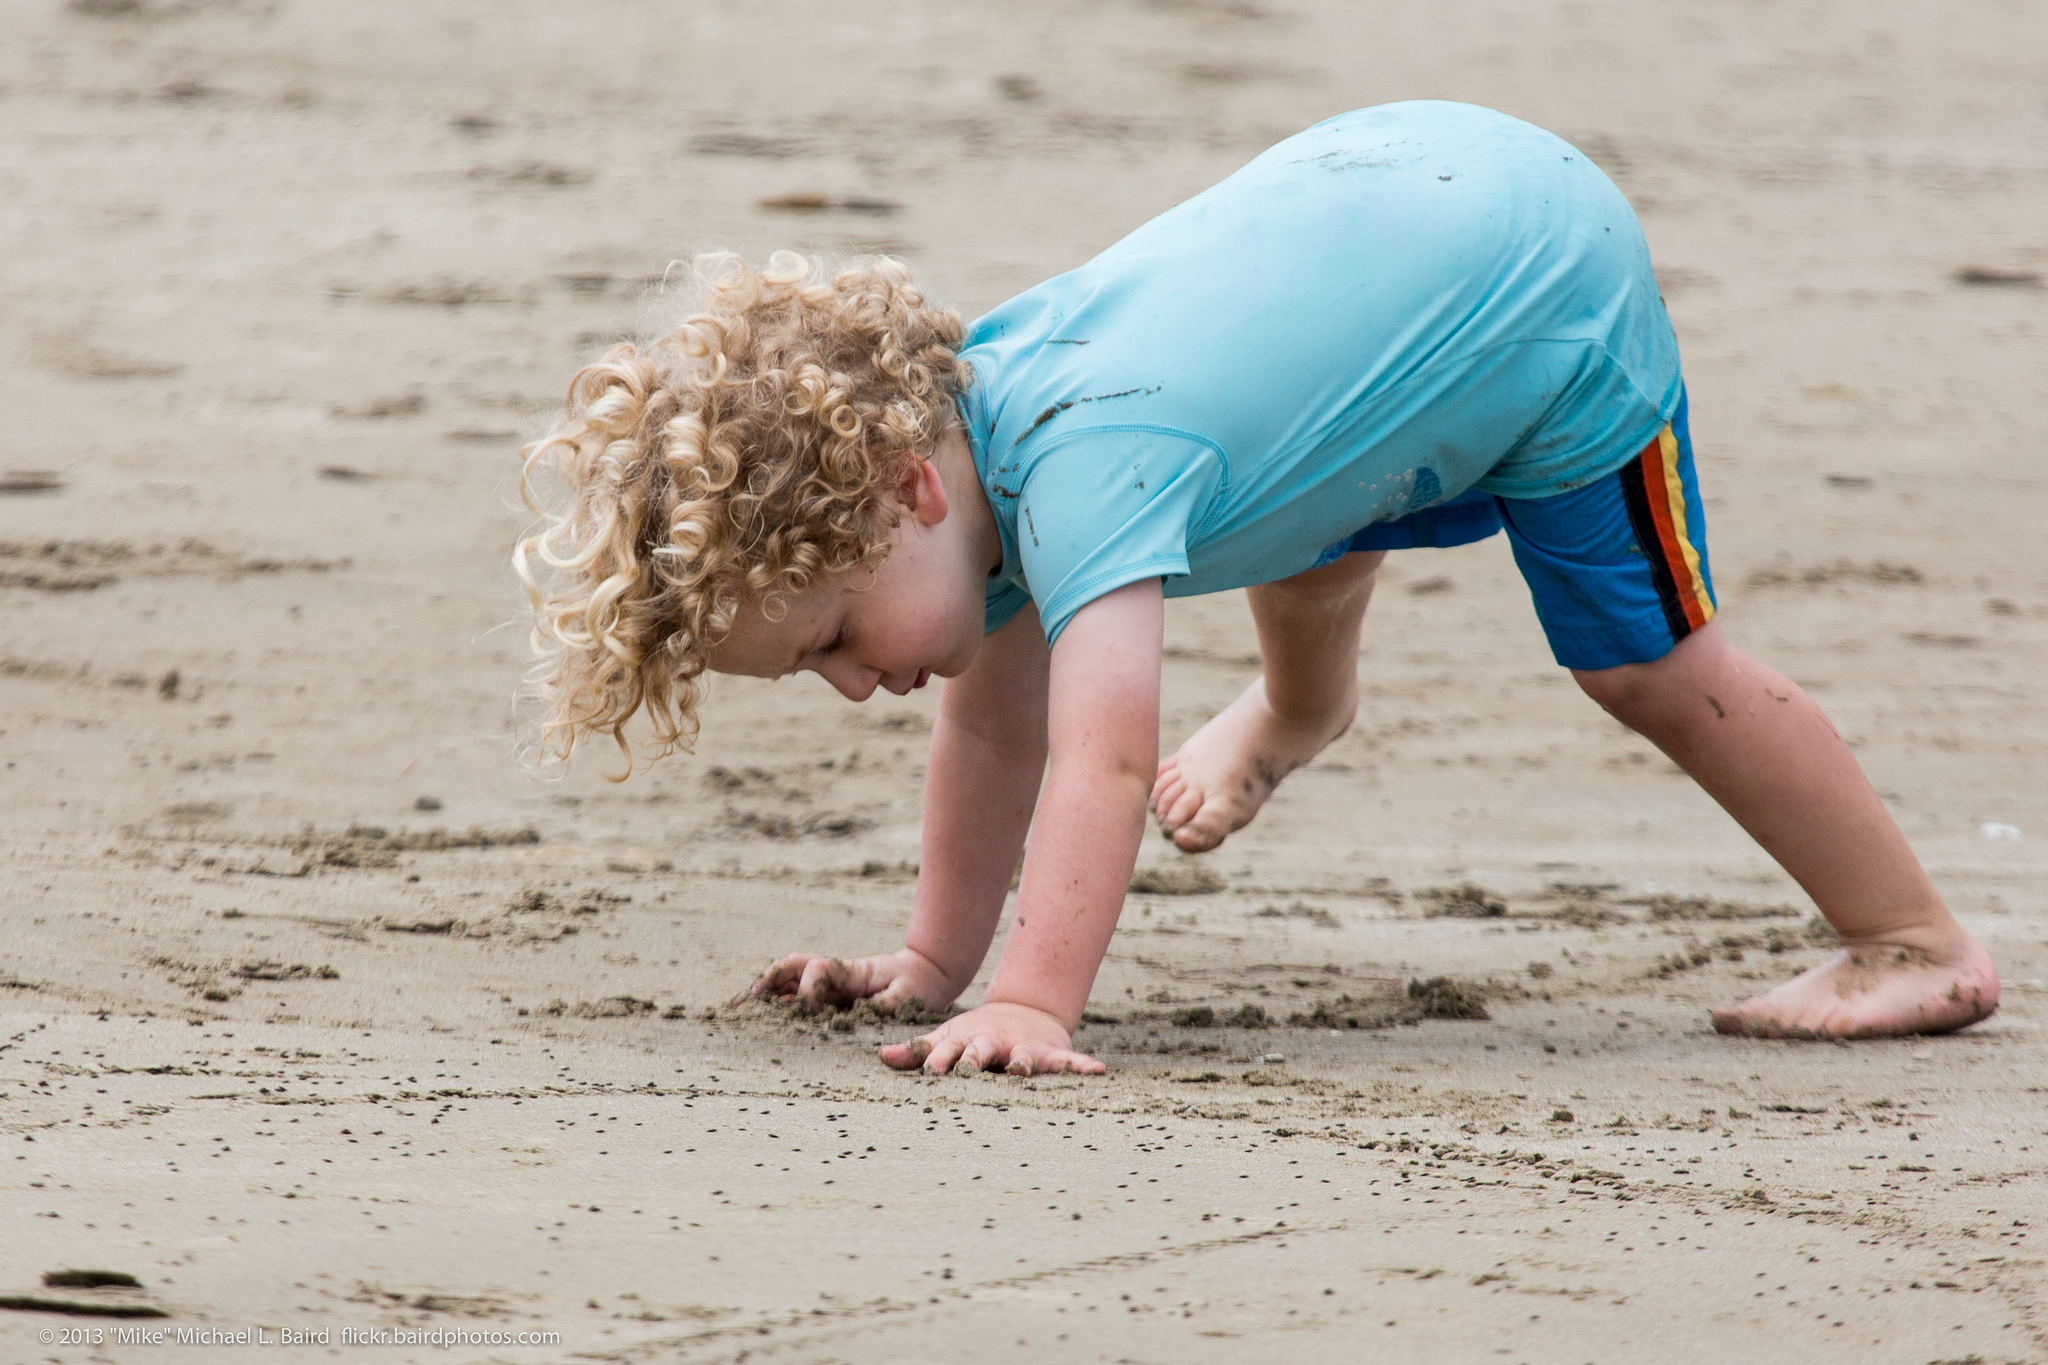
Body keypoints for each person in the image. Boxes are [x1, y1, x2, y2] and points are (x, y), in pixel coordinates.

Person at [514, 101, 1997, 1076]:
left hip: (1539, 283)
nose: (854, 685)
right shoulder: (973, 472)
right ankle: (1297, 708)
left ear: (909, 488)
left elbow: (1094, 754)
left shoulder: (1082, 463)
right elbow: (990, 732)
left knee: (1646, 665)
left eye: (835, 638)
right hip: (1387, 254)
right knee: (1295, 488)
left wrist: (1029, 998)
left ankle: (1919, 942)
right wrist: (930, 965)